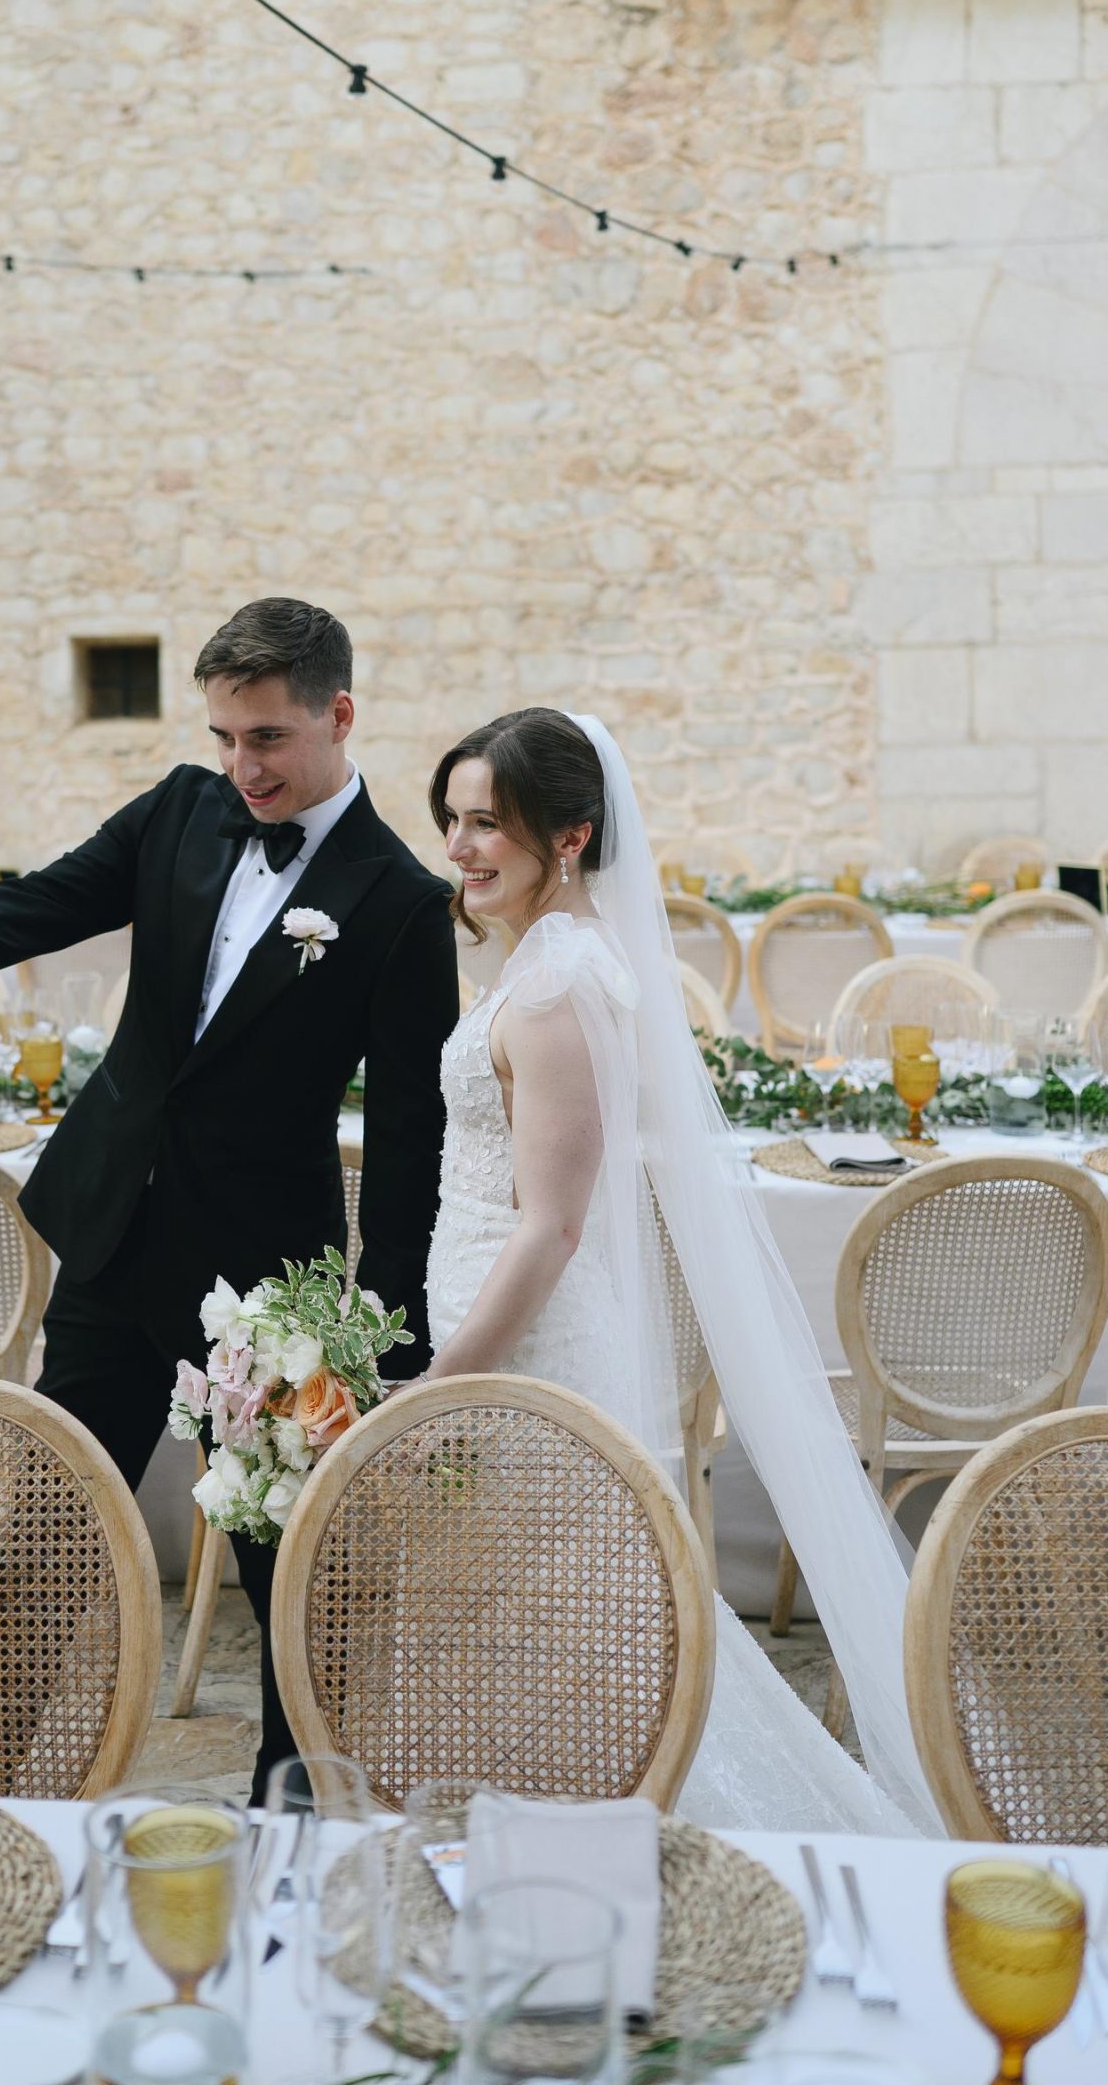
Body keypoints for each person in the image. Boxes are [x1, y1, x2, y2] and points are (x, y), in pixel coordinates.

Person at [0, 597, 459, 1794]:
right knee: (57, 1511)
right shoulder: (180, 809)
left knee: (285, 1544)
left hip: (271, 1277)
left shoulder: (402, 900)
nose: (240, 765)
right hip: (115, 1227)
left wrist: (390, 1325)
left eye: (264, 737)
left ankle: (300, 1771)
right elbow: (48, 897)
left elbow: (414, 1135)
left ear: (339, 715)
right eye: (223, 735)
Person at [422, 705, 940, 1833]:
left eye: (486, 824)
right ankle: (553, 1835)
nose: (459, 847)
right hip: (510, 1344)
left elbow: (552, 1229)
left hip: (532, 1353)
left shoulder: (556, 987)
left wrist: (443, 1380)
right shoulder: (553, 955)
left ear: (569, 835)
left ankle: (627, 1839)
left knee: (581, 1630)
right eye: (453, 820)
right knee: (547, 1630)